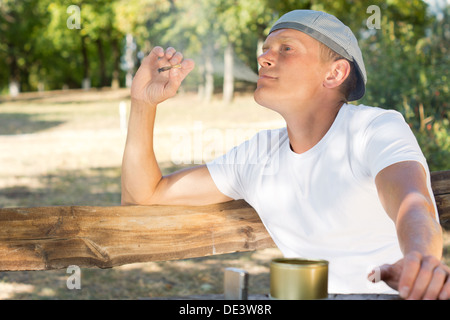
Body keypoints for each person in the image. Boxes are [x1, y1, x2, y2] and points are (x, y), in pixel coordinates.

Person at [121, 10, 449, 299]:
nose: (264, 58)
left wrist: (420, 259)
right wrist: (143, 103)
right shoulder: (258, 154)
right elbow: (145, 195)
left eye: (286, 49)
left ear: (334, 73)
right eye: (265, 50)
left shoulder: (374, 128)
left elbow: (413, 203)